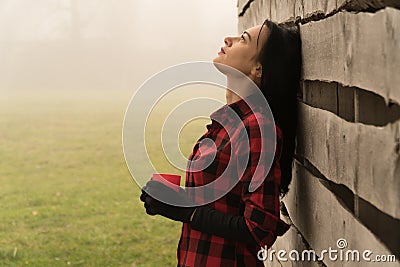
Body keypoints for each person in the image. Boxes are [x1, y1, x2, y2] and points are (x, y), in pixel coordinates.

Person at [140, 19, 302, 266]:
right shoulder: (233, 121)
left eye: (243, 39)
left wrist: (185, 211)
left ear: (258, 69)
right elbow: (225, 202)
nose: (229, 39)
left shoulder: (257, 128)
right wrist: (173, 199)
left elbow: (258, 228)